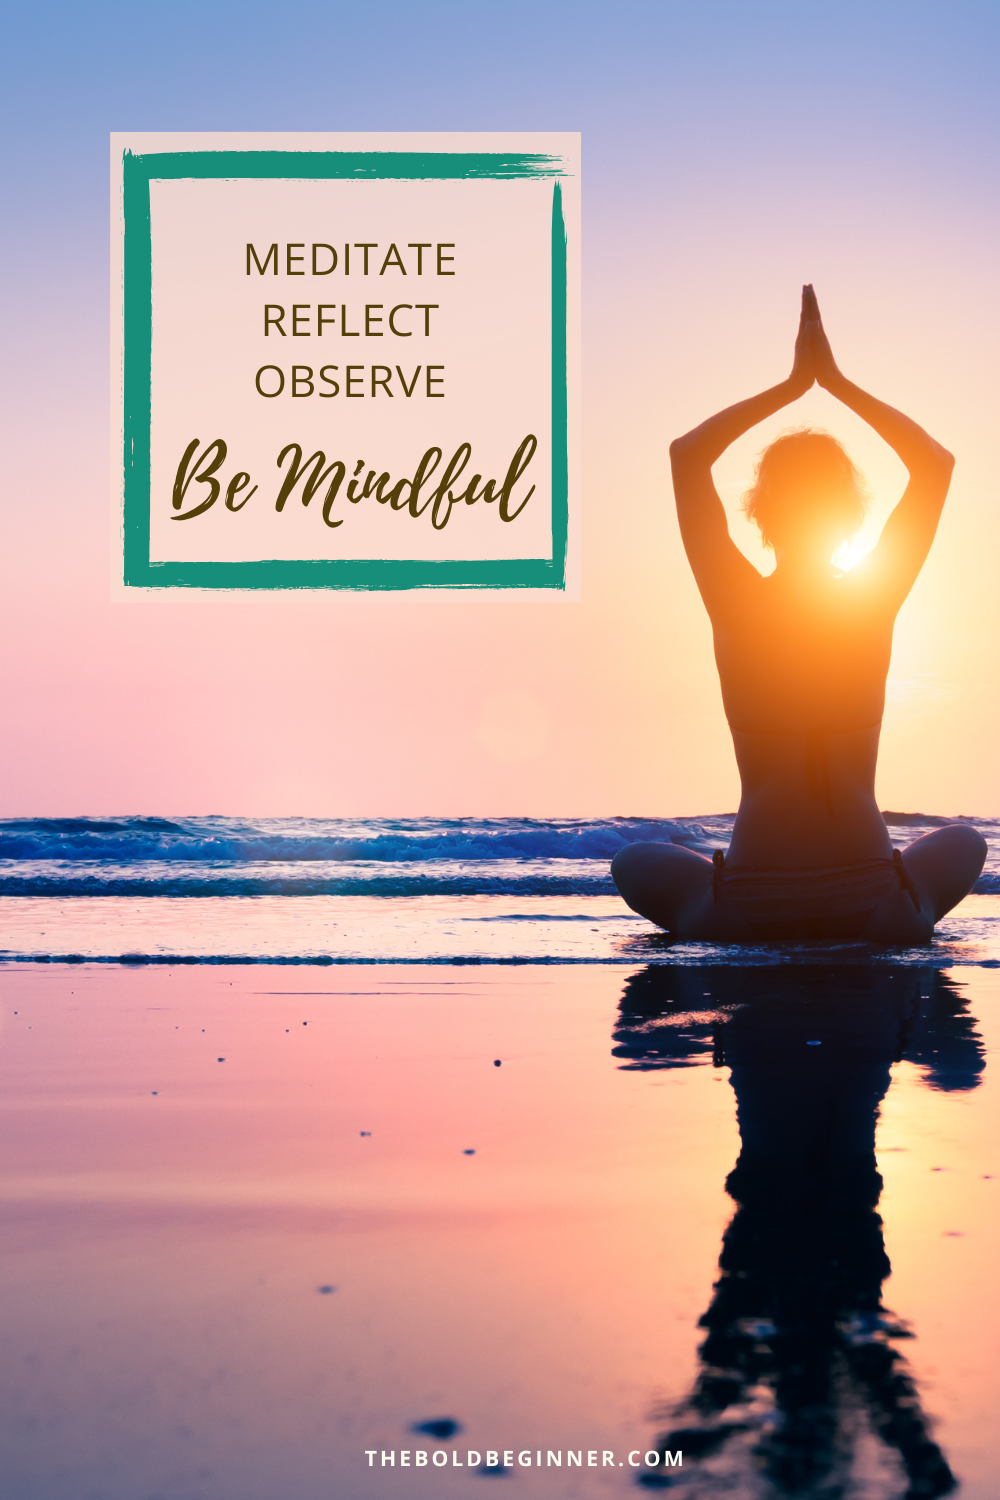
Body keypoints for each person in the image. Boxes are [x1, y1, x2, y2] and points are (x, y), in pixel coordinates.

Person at [611, 287, 985, 941]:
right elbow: (935, 464)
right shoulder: (871, 599)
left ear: (759, 511)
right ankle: (894, 897)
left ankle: (724, 885)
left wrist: (792, 387)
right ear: (849, 514)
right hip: (873, 904)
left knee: (633, 860)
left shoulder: (736, 602)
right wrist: (835, 383)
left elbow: (686, 455)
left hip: (751, 905)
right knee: (964, 845)